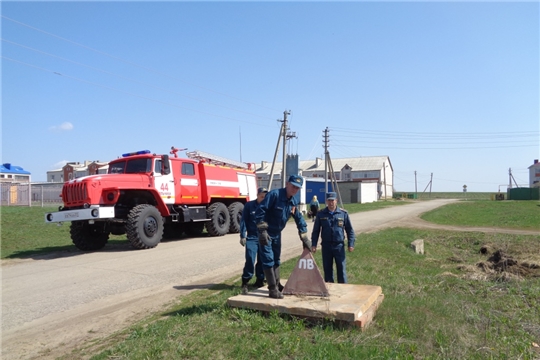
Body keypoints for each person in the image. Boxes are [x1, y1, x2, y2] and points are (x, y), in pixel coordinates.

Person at [255, 175, 311, 299]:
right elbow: (260, 211)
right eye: (293, 186)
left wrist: (304, 236)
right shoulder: (274, 195)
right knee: (268, 259)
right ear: (287, 184)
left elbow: (299, 218)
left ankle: (277, 284)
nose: (295, 189)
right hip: (266, 232)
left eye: (297, 188)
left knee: (276, 259)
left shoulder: (292, 201)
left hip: (277, 233)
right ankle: (272, 289)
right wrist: (262, 230)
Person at [310, 192, 355, 284]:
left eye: (333, 201)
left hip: (339, 246)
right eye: (329, 201)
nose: (331, 203)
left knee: (341, 269)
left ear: (336, 201)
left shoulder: (343, 214)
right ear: (326, 201)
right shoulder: (321, 214)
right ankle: (330, 290)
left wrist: (351, 244)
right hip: (326, 246)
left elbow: (350, 230)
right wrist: (313, 244)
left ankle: (343, 290)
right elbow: (316, 231)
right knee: (327, 270)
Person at [239, 187, 268, 295]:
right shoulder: (249, 206)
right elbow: (243, 221)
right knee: (250, 258)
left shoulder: (267, 206)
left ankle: (260, 280)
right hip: (252, 237)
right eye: (262, 196)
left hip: (263, 236)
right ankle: (245, 281)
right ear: (257, 195)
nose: (263, 198)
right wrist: (242, 235)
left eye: (265, 196)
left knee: (262, 260)